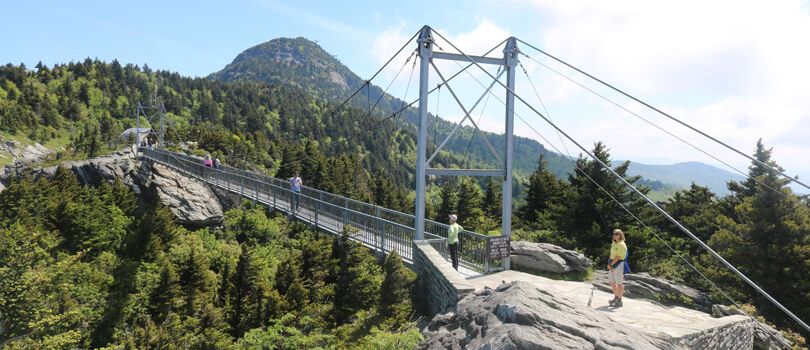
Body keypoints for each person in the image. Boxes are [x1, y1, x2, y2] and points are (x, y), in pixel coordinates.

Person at [608, 229, 628, 307]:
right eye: (614, 234)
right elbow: (611, 254)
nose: (614, 235)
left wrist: (611, 264)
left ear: (620, 235)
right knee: (611, 282)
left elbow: (618, 256)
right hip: (612, 263)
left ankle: (619, 300)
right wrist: (609, 264)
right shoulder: (614, 243)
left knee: (619, 283)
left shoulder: (622, 244)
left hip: (618, 264)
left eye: (617, 234)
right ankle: (616, 297)